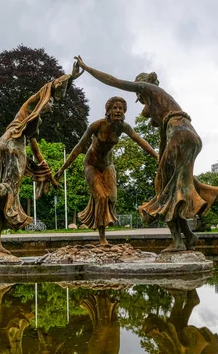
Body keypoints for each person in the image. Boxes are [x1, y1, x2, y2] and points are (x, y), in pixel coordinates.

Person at [73, 56, 218, 251]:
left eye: (139, 98)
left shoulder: (149, 89)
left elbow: (113, 81)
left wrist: (87, 68)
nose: (141, 101)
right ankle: (189, 236)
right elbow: (162, 137)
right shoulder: (162, 103)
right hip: (190, 136)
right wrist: (160, 159)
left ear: (141, 85)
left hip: (180, 136)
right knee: (175, 189)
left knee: (163, 188)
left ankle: (177, 241)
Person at [0, 63, 83, 255]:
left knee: (8, 196)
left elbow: (34, 147)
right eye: (52, 103)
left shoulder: (34, 121)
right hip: (12, 146)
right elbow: (50, 87)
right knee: (8, 188)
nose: (53, 105)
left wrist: (45, 170)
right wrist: (70, 78)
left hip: (1, 144)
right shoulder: (31, 107)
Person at [55, 96, 158, 246]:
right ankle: (102, 238)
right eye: (115, 108)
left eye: (121, 108)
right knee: (101, 197)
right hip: (92, 165)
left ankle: (97, 214)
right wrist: (62, 169)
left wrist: (157, 156)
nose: (118, 111)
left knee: (112, 197)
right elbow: (78, 147)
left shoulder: (124, 127)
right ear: (108, 111)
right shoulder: (97, 125)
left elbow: (140, 141)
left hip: (108, 165)